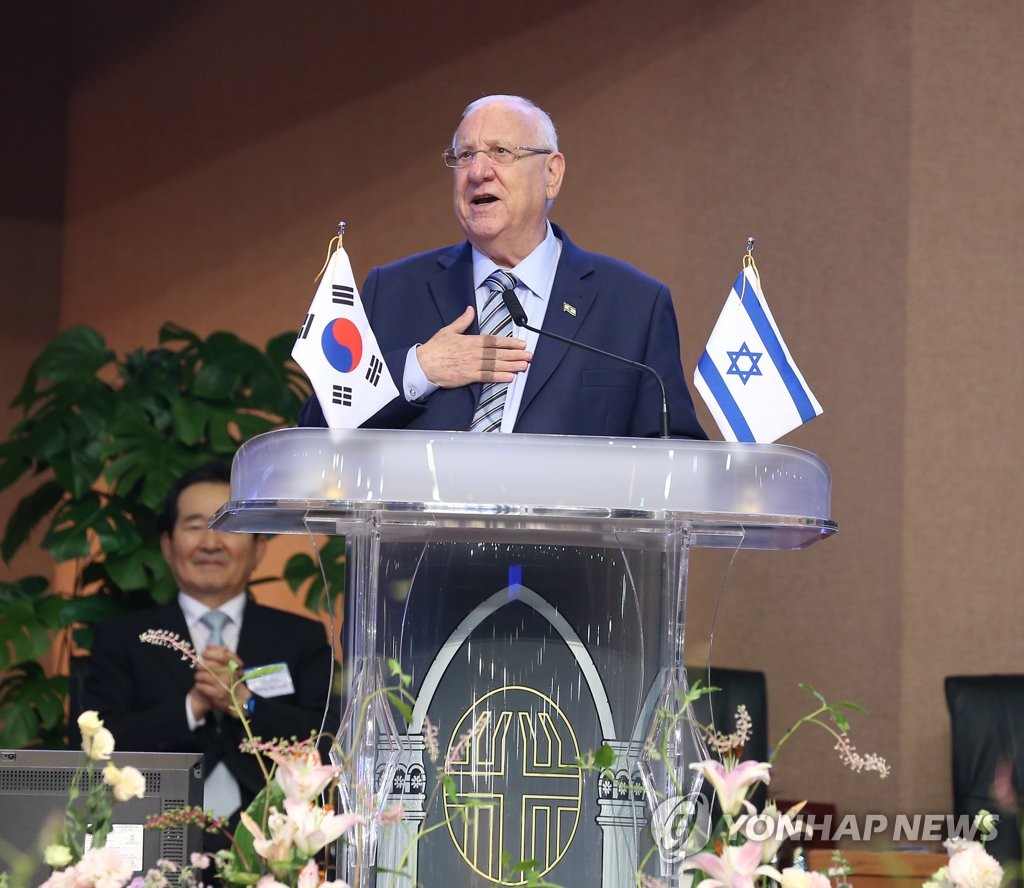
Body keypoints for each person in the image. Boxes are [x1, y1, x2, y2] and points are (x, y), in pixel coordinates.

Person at [299, 94, 707, 440]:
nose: (477, 171)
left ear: (552, 174)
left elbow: (673, 456)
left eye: (500, 152)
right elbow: (316, 431)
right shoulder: (391, 290)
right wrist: (419, 369)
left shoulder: (634, 304)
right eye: (464, 156)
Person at [82, 461, 335, 847]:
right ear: (168, 546)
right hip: (153, 835)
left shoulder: (300, 637)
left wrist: (246, 703)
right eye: (195, 525)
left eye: (226, 526)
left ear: (258, 548)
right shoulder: (122, 638)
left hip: (277, 841)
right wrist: (194, 705)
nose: (211, 541)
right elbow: (96, 748)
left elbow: (329, 742)